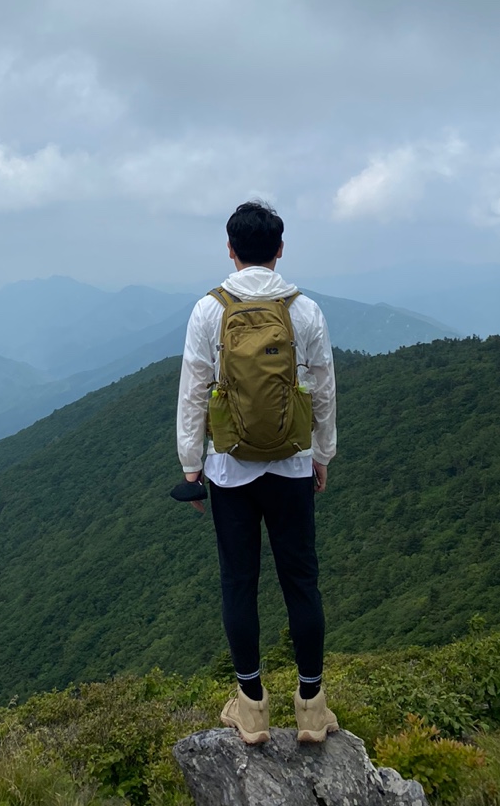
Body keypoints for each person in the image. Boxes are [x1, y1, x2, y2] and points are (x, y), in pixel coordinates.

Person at [176, 200, 338, 746]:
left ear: (230, 248)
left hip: (229, 470)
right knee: (301, 581)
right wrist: (322, 454)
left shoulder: (208, 311)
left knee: (239, 583)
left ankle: (251, 708)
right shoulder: (305, 311)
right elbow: (323, 388)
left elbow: (193, 392)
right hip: (292, 465)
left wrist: (192, 468)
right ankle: (311, 708)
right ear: (280, 248)